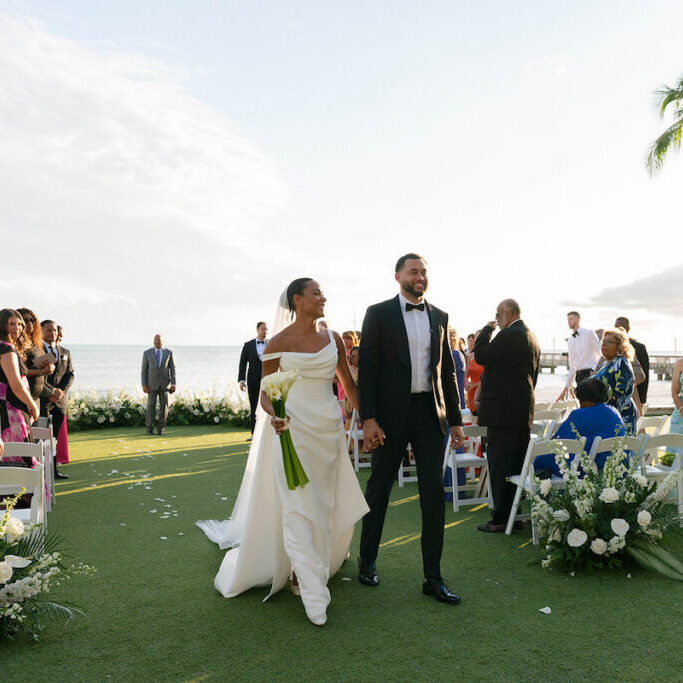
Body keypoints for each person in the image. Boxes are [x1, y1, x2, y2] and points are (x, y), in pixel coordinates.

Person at [197, 278, 368, 627]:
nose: (323, 298)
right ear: (298, 300)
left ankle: (310, 565)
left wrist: (369, 421)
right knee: (298, 503)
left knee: (323, 501)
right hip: (293, 429)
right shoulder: (277, 343)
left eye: (322, 293)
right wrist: (275, 414)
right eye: (316, 293)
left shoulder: (332, 339)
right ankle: (309, 586)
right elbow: (266, 392)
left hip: (328, 432)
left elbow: (348, 387)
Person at [358, 253, 465, 604]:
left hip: (428, 416)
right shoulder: (378, 313)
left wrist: (456, 421)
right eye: (414, 271)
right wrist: (369, 418)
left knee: (433, 496)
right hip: (389, 417)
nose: (420, 277)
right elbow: (369, 368)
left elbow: (446, 372)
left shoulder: (440, 316)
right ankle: (367, 561)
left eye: (424, 272)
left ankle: (433, 578)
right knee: (379, 489)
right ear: (398, 276)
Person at [474, 298, 540, 533]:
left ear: (508, 313)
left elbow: (481, 355)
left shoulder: (510, 334)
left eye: (498, 314)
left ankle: (501, 517)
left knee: (500, 464)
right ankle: (514, 515)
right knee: (515, 465)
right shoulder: (531, 336)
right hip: (521, 411)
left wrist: (485, 331)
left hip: (503, 412)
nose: (497, 319)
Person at [534, 378, 625, 477]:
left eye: (580, 400)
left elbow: (557, 441)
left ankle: (537, 487)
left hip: (589, 471)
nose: (580, 405)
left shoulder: (579, 414)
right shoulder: (615, 412)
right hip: (616, 469)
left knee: (543, 457)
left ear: (585, 400)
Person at [0, 309, 39, 461]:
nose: (17, 328)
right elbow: (16, 384)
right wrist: (32, 405)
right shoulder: (6, 348)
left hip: (6, 408)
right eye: (11, 324)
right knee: (23, 458)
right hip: (13, 410)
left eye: (19, 324)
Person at [40, 319, 74, 479]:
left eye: (54, 330)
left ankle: (53, 471)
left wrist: (61, 392)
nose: (52, 333)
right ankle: (40, 471)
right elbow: (36, 378)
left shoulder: (65, 352)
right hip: (43, 401)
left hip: (60, 402)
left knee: (54, 438)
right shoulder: (36, 351)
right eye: (49, 330)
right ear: (41, 332)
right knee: (41, 437)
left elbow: (70, 374)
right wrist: (50, 392)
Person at [591, 328, 637, 435]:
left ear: (619, 346)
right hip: (607, 413)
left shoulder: (621, 363)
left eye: (609, 342)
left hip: (619, 414)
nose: (604, 344)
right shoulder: (604, 364)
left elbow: (619, 392)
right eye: (603, 341)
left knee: (619, 448)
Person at [557, 311, 601, 401]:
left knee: (592, 403)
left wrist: (594, 370)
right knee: (582, 403)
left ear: (578, 319)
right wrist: (565, 389)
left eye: (571, 319)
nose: (569, 321)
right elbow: (572, 367)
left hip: (591, 374)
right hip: (579, 376)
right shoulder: (570, 340)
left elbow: (601, 353)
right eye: (568, 319)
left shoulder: (589, 333)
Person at [141, 334, 176, 435]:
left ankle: (160, 428)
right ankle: (149, 428)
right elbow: (144, 370)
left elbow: (173, 369)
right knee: (150, 406)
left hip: (165, 385)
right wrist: (144, 384)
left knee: (163, 407)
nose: (156, 341)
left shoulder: (168, 353)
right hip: (151, 385)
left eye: (158, 340)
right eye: (155, 340)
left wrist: (173, 384)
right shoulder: (147, 353)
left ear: (162, 341)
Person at [17, 308, 54, 404]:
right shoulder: (17, 345)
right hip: (23, 397)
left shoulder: (35, 343)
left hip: (36, 397)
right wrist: (42, 371)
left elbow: (34, 365)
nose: (29, 323)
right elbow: (18, 372)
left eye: (32, 320)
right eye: (26, 320)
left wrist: (49, 367)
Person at [238, 322, 268, 435]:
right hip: (253, 381)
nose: (265, 332)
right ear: (257, 330)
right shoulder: (248, 345)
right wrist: (242, 381)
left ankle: (266, 435)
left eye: (266, 329)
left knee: (268, 407)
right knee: (254, 408)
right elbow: (243, 364)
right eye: (262, 329)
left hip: (267, 381)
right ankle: (254, 434)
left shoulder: (271, 344)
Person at [615, 316, 650, 405]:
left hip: (634, 392)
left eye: (622, 325)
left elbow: (644, 372)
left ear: (628, 328)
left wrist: (642, 399)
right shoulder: (611, 346)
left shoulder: (639, 348)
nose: (619, 328)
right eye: (616, 326)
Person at [466, 331, 484, 413]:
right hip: (471, 392)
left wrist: (476, 385)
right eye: (476, 337)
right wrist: (466, 383)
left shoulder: (487, 356)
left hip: (482, 392)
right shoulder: (470, 357)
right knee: (472, 421)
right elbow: (466, 374)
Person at [670, 357, 683, 438]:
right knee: (677, 448)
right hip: (680, 412)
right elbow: (674, 391)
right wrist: (681, 410)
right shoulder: (680, 363)